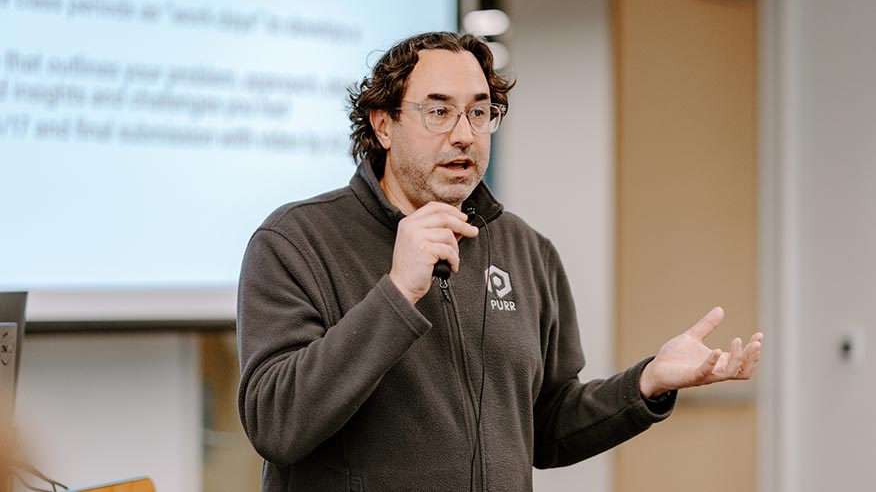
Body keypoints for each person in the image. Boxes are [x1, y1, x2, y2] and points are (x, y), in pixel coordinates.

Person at [236, 31, 763, 491]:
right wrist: (396, 293)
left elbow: (548, 427)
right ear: (384, 125)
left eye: (480, 112)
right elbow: (277, 425)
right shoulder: (295, 241)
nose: (464, 133)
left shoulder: (527, 250)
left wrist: (648, 383)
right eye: (438, 110)